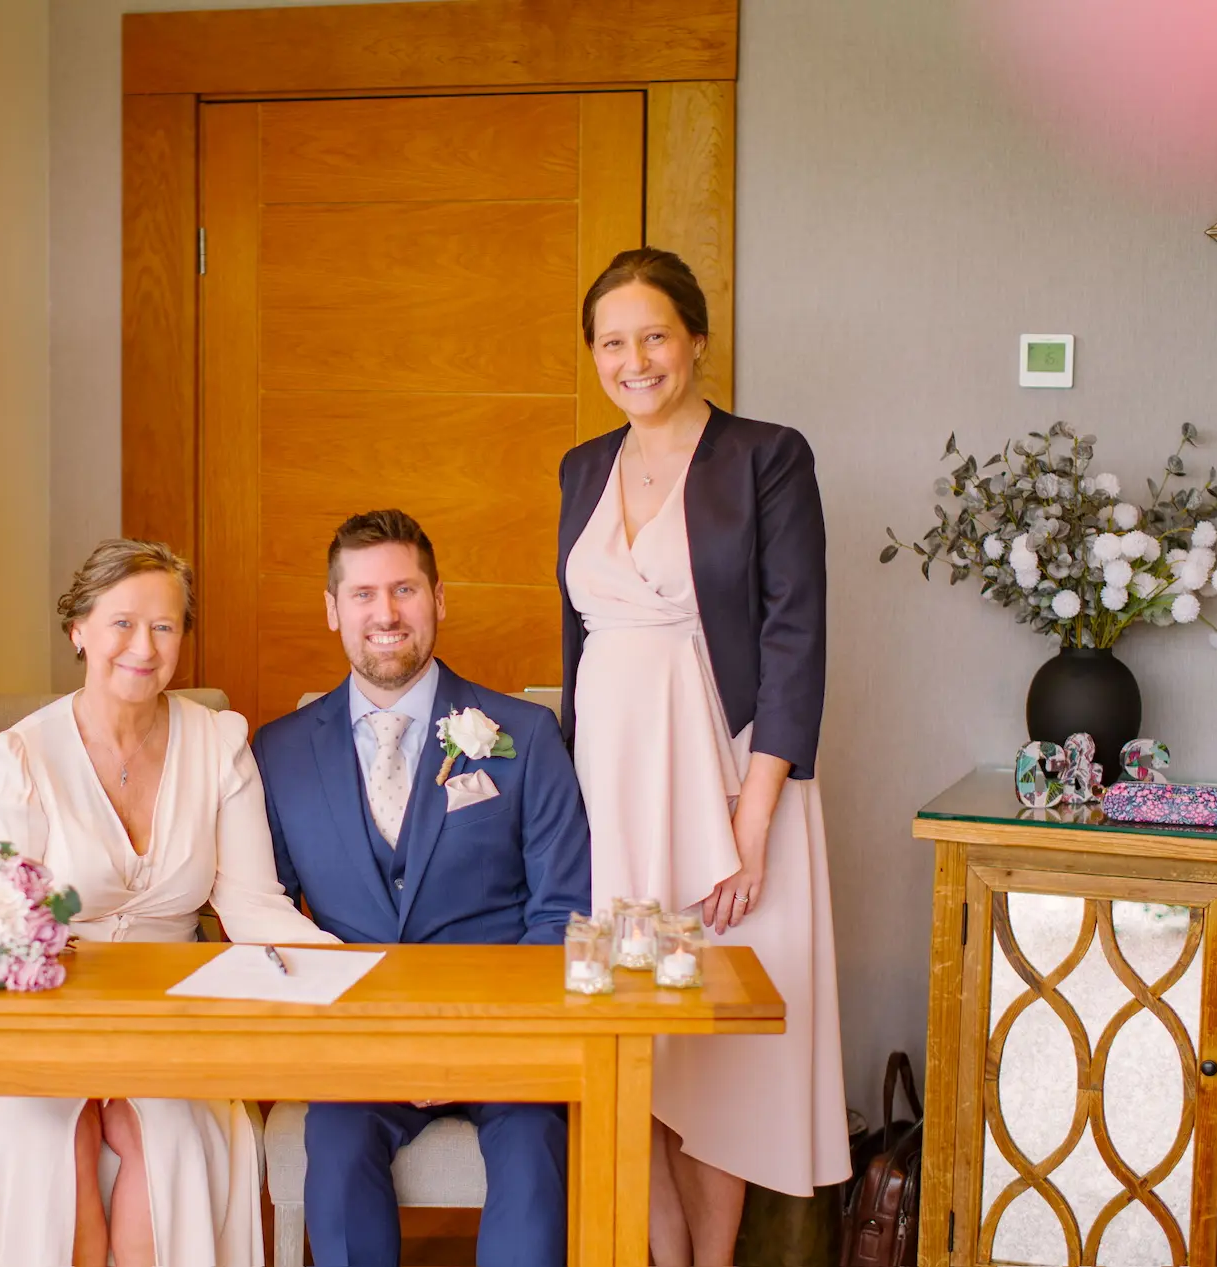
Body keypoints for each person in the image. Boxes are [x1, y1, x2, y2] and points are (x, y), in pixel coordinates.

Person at [555, 246, 848, 1264]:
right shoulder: (581, 466)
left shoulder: (767, 455)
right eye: (610, 341)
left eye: (652, 335)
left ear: (696, 340)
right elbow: (577, 643)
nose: (632, 359)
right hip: (608, 780)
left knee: (717, 1039)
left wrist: (752, 818)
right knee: (625, 1023)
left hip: (727, 776)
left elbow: (793, 635)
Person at [0, 539, 335, 1267]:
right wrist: (86, 1067)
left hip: (174, 1016)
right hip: (43, 1013)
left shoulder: (220, 742)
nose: (142, 647)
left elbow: (253, 908)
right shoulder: (22, 753)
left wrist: (358, 976)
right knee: (42, 1141)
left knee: (175, 1139)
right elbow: (4, 928)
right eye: (121, 623)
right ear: (79, 629)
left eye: (165, 626)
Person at [252, 509, 591, 1267]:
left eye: (404, 589)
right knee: (334, 1149)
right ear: (333, 608)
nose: (386, 613)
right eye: (365, 593)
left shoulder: (526, 733)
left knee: (539, 1148)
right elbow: (265, 915)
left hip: (505, 1039)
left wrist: (476, 1043)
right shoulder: (276, 751)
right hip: (358, 1047)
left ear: (439, 598)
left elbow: (563, 907)